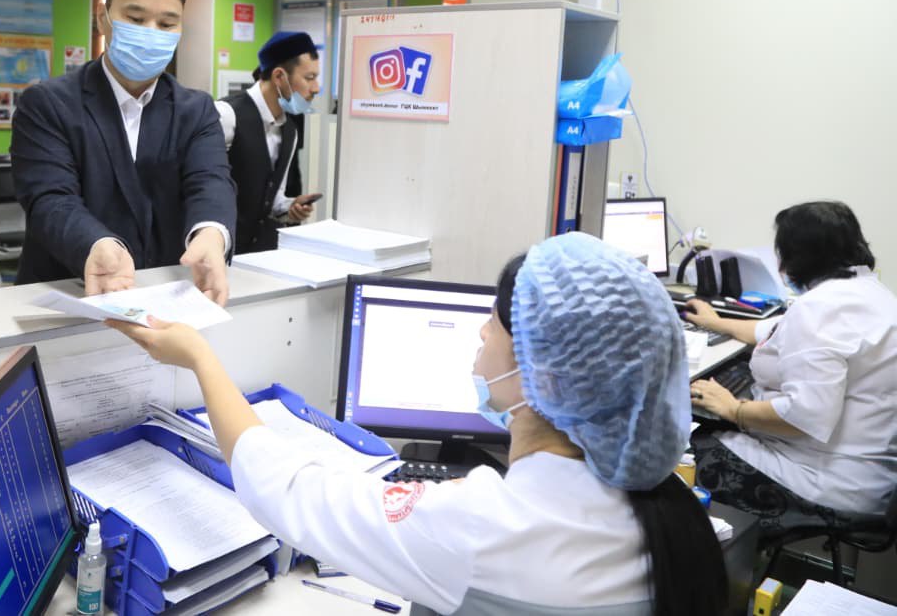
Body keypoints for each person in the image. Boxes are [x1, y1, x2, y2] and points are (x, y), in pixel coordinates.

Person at [109, 233, 726, 616]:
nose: (481, 332)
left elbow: (286, 490)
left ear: (543, 374)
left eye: (495, 322)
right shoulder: (667, 512)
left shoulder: (483, 526)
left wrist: (201, 359)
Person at [10, 0, 236, 304]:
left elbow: (210, 181)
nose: (150, 34)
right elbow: (50, 199)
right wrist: (96, 243)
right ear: (103, 18)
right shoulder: (49, 104)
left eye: (167, 24)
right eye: (135, 18)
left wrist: (211, 233)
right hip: (69, 294)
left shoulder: (195, 110)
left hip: (163, 298)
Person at [687, 201, 897, 534]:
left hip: (823, 479)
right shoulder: (872, 293)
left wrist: (734, 409)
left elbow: (805, 416)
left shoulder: (819, 308)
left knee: (687, 450)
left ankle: (715, 554)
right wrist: (717, 322)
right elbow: (773, 330)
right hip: (871, 476)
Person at [214, 31, 322, 254]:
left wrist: (289, 208)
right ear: (279, 76)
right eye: (309, 78)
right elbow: (197, 188)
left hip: (263, 252)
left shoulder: (290, 130)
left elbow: (273, 200)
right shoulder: (227, 115)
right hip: (220, 250)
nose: (316, 88)